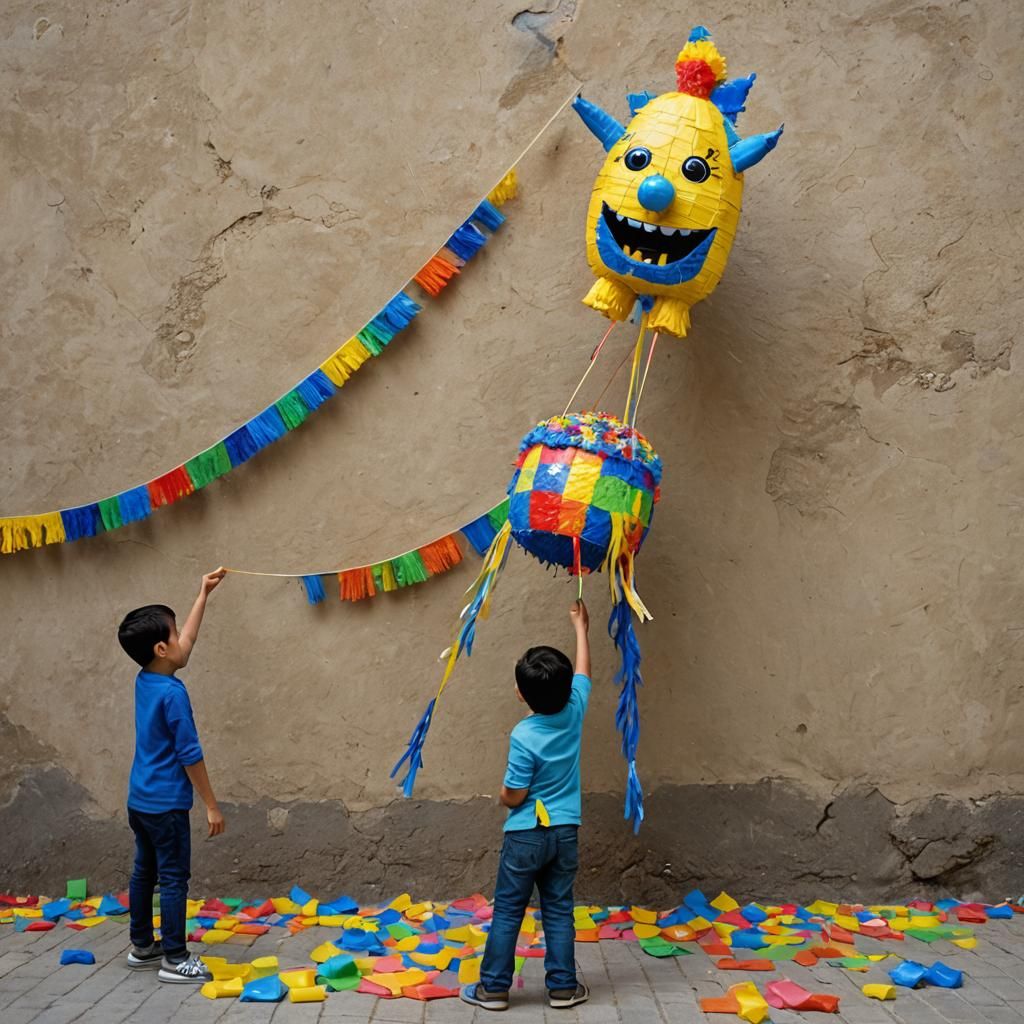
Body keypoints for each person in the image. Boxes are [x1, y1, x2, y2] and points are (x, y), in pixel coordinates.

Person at [461, 600, 592, 1012]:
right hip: (565, 832)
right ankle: (563, 989)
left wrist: (503, 798)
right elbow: (585, 672)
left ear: (520, 693)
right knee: (558, 910)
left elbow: (514, 794)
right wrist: (581, 628)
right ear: (568, 688)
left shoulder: (523, 734)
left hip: (525, 836)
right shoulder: (576, 710)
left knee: (509, 913)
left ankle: (494, 989)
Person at [117, 569, 227, 984]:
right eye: (176, 633)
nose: (185, 638)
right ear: (163, 647)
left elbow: (187, 645)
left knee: (144, 870)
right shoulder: (174, 694)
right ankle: (175, 959)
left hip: (139, 800)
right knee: (174, 877)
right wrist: (211, 804)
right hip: (166, 805)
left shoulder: (146, 679)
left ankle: (143, 946)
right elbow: (190, 755)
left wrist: (203, 594)